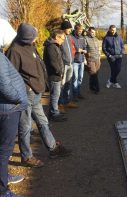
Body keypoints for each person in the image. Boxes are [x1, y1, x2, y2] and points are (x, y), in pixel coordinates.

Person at [6, 23, 72, 168]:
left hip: (36, 94)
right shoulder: (14, 51)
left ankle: (53, 148)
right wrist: (26, 89)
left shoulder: (30, 46)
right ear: (25, 37)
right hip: (25, 95)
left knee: (43, 122)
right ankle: (27, 157)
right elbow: (10, 76)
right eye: (33, 37)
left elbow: (39, 65)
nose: (35, 40)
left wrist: (42, 84)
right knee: (25, 126)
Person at [0, 19, 27, 197]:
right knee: (4, 150)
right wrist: (19, 98)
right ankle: (2, 190)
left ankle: (3, 176)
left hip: (7, 107)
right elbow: (4, 85)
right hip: (7, 109)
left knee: (3, 150)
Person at [43, 29, 67, 122]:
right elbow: (53, 63)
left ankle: (53, 112)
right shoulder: (51, 47)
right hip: (54, 75)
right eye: (62, 38)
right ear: (57, 37)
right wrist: (60, 72)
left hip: (56, 75)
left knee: (55, 95)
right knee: (54, 95)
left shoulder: (54, 46)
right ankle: (54, 114)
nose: (63, 40)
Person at [59, 20, 78, 112]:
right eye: (69, 28)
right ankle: (60, 103)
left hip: (71, 63)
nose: (70, 30)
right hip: (64, 65)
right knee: (61, 85)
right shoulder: (60, 37)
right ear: (64, 28)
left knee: (68, 83)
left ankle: (67, 101)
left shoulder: (69, 37)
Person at [71, 23, 87, 101]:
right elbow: (70, 49)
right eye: (79, 30)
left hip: (81, 60)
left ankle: (78, 93)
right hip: (74, 61)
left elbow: (85, 48)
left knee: (80, 78)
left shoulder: (83, 38)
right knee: (75, 78)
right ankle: (74, 95)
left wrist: (85, 51)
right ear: (75, 29)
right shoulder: (71, 38)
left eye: (81, 30)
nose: (80, 32)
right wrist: (77, 50)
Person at [85, 27, 101, 94]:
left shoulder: (96, 39)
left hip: (97, 59)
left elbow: (99, 49)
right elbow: (84, 48)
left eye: (94, 32)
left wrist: (99, 59)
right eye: (92, 32)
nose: (93, 33)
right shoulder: (85, 39)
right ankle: (97, 88)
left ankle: (91, 86)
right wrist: (85, 58)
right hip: (90, 59)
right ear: (88, 32)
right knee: (93, 73)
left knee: (95, 73)